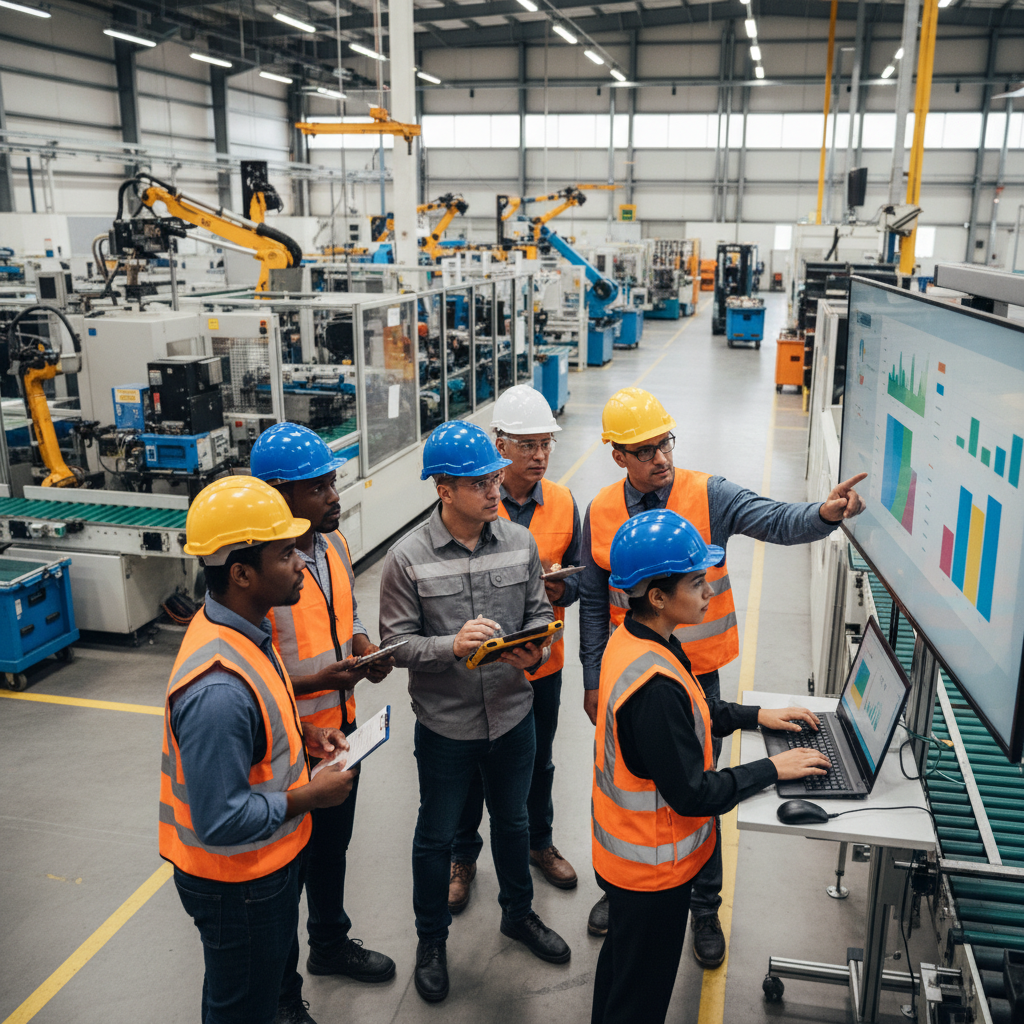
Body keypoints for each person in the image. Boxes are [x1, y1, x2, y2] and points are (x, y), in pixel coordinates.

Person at [580, 386, 866, 963]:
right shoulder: (601, 512)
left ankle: (702, 906)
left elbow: (776, 519)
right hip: (631, 672)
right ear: (618, 456)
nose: (661, 457)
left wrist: (825, 514)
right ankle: (630, 888)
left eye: (666, 443)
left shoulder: (707, 493)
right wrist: (591, 676)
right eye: (645, 449)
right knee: (631, 786)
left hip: (695, 678)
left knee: (696, 788)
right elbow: (591, 600)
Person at [591, 509, 830, 1024]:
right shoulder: (651, 687)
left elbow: (696, 707)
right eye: (698, 582)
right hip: (653, 871)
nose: (709, 593)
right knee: (640, 998)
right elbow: (694, 794)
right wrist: (773, 770)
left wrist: (756, 715)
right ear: (657, 595)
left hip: (631, 862)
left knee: (622, 972)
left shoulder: (639, 639)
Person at [379, 420, 571, 1004]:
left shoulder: (518, 542)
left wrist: (533, 648)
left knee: (514, 822)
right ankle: (431, 941)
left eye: (493, 479)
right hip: (446, 727)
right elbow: (397, 646)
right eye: (478, 484)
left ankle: (519, 914)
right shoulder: (405, 559)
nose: (494, 492)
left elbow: (537, 613)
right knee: (437, 836)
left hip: (514, 714)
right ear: (443, 489)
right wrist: (451, 647)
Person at [159, 476, 357, 1024]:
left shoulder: (245, 628)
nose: (302, 564)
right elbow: (220, 819)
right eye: (286, 553)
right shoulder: (218, 690)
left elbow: (260, 731)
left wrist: (307, 735)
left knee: (252, 990)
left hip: (258, 867)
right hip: (236, 882)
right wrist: (309, 797)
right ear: (242, 573)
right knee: (242, 1006)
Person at [250, 423, 396, 985]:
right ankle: (283, 989)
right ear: (280, 495)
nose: (335, 497)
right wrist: (314, 682)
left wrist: (363, 647)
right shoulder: (261, 571)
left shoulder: (332, 541)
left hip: (341, 733)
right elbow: (252, 672)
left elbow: (347, 611)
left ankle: (329, 944)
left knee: (333, 851)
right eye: (319, 488)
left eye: (333, 482)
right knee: (288, 869)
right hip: (285, 750)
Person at [449, 386, 583, 910]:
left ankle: (537, 842)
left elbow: (582, 581)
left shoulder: (567, 502)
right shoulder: (472, 500)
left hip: (540, 664)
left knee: (539, 760)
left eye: (545, 444)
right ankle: (463, 855)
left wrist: (560, 588)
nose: (539, 455)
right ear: (499, 444)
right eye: (527, 445)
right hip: (480, 668)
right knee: (470, 766)